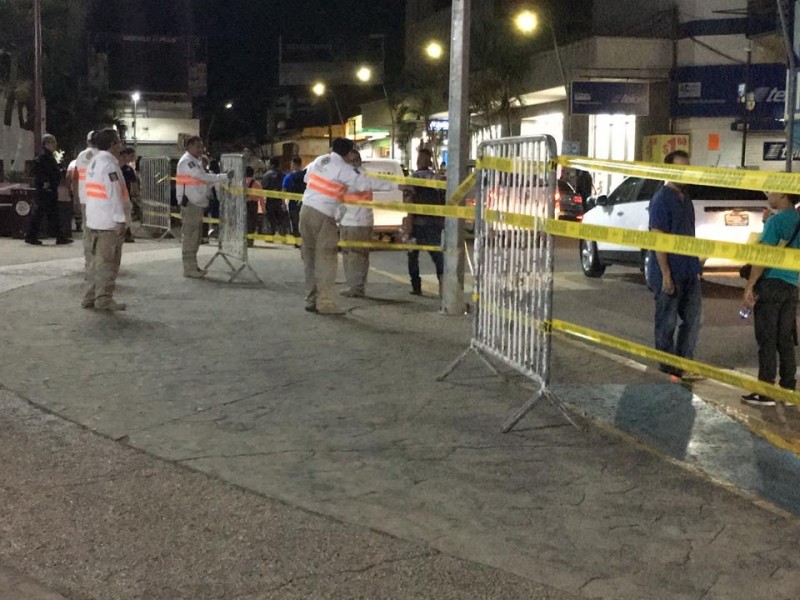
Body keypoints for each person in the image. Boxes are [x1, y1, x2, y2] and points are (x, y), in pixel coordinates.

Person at [299, 137, 392, 315]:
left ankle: (311, 300)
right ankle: (325, 304)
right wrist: (393, 185)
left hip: (306, 211)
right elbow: (365, 183)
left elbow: (306, 177)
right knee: (326, 259)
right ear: (349, 153)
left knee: (309, 258)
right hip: (324, 215)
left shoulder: (320, 160)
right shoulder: (344, 168)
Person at [646, 150, 702, 382]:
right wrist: (666, 275)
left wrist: (697, 265)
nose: (684, 173)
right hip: (670, 273)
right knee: (667, 323)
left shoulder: (686, 199)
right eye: (680, 168)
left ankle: (683, 364)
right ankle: (668, 368)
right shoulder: (661, 199)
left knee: (694, 320)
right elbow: (658, 239)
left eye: (687, 168)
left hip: (690, 271)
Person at [741, 192, 800, 406]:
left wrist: (750, 285)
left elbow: (763, 256)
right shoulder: (796, 219)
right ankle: (788, 389)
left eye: (772, 189)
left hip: (771, 283)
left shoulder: (777, 221)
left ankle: (765, 391)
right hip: (792, 284)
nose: (768, 193)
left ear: (783, 193)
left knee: (766, 339)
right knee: (785, 339)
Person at [82, 128, 129, 311]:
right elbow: (114, 194)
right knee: (108, 263)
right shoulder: (109, 165)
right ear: (112, 144)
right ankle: (104, 298)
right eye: (118, 141)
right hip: (109, 222)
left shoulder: (94, 162)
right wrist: (120, 220)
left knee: (96, 262)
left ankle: (90, 296)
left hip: (95, 219)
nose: (120, 145)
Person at [176, 137, 232, 277]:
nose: (201, 150)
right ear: (189, 147)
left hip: (196, 203)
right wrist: (224, 176)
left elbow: (203, 178)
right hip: (190, 204)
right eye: (198, 147)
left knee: (195, 237)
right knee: (191, 237)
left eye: (202, 147)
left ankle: (192, 267)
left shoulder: (195, 161)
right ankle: (189, 269)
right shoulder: (187, 162)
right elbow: (202, 177)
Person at [405, 148, 445, 296]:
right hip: (435, 223)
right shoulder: (437, 179)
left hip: (418, 223)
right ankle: (443, 288)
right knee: (438, 257)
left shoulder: (412, 178)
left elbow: (408, 201)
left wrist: (408, 223)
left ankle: (416, 287)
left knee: (413, 256)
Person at [338, 150, 374, 298]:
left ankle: (356, 287)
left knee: (356, 255)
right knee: (350, 255)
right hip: (349, 220)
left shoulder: (359, 176)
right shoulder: (356, 175)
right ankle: (354, 285)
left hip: (357, 222)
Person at [26, 134, 71, 245]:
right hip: (46, 190)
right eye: (53, 142)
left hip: (48, 189)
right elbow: (43, 173)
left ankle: (59, 236)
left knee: (52, 213)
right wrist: (47, 184)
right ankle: (31, 236)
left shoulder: (47, 156)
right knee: (41, 213)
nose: (55, 145)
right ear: (47, 144)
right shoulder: (44, 157)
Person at [73, 131, 98, 271]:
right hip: (99, 200)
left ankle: (88, 263)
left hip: (84, 199)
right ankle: (97, 263)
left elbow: (75, 178)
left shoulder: (81, 156)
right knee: (99, 233)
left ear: (88, 141)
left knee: (87, 232)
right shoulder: (102, 156)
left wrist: (76, 197)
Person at [261, 156, 288, 235]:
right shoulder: (283, 175)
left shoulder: (267, 175)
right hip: (281, 200)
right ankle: (283, 234)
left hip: (271, 200)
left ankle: (271, 235)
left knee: (270, 218)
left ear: (272, 165)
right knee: (281, 218)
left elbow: (263, 186)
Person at [282, 156, 306, 238]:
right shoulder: (306, 176)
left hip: (292, 202)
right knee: (303, 221)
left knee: (294, 221)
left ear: (293, 164)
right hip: (305, 201)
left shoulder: (289, 177)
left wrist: (283, 203)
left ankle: (296, 240)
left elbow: (284, 190)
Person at [119, 148, 138, 243]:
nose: (132, 158)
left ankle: (127, 232)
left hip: (126, 196)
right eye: (131, 156)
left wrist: (135, 194)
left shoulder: (128, 169)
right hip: (116, 196)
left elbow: (134, 182)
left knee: (127, 216)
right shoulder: (114, 167)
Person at [245, 166, 263, 247]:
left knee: (244, 222)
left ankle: (244, 239)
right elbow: (261, 197)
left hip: (244, 204)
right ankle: (250, 240)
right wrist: (263, 208)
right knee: (252, 222)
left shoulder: (241, 182)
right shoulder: (257, 184)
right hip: (254, 205)